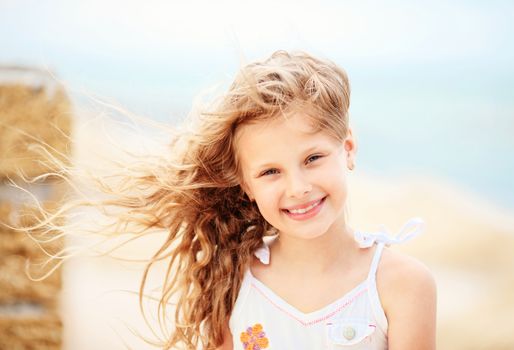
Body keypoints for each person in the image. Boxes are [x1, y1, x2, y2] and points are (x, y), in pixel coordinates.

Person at [22, 50, 436, 349]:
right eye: (270, 171)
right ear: (246, 184)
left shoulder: (401, 286)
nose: (297, 187)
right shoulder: (235, 278)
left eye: (313, 158)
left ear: (347, 148)